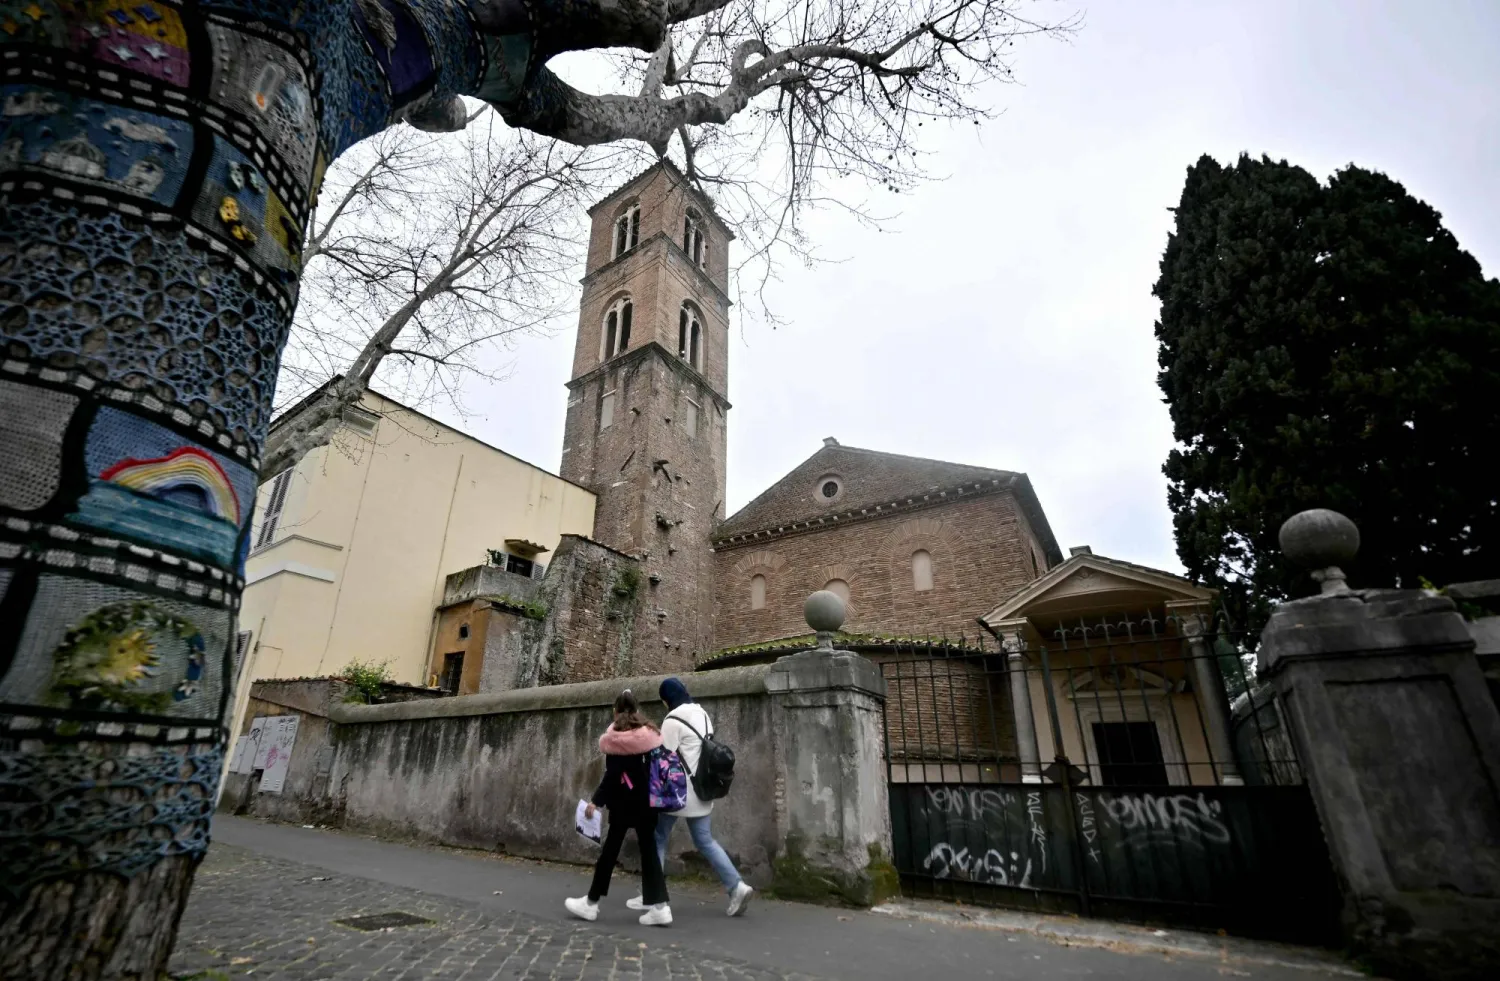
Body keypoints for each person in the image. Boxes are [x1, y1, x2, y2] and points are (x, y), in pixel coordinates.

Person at [627, 677, 754, 917]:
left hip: (678, 793)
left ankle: (651, 895)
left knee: (658, 838)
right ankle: (737, 886)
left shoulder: (672, 720)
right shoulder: (701, 713)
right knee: (705, 840)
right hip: (703, 790)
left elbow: (663, 757)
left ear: (667, 699)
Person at [566, 690, 673, 926]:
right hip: (649, 803)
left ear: (615, 711)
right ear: (637, 711)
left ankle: (591, 903)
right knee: (650, 855)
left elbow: (612, 776)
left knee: (609, 853)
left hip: (624, 805)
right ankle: (660, 907)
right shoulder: (651, 735)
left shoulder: (616, 739)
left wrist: (596, 801)